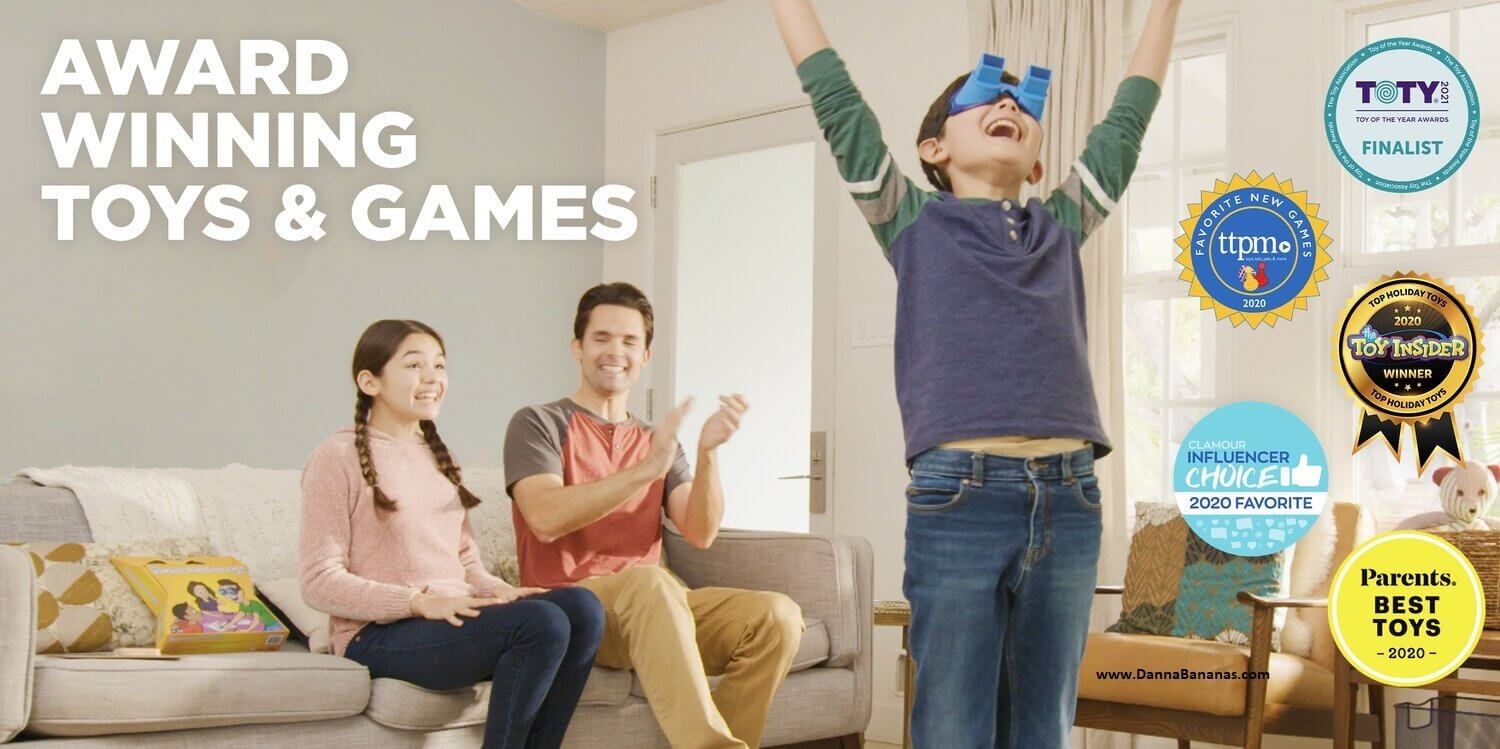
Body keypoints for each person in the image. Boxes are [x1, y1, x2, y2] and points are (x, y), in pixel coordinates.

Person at [771, 1, 1182, 745]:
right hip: (959, 496)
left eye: (1022, 108)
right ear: (933, 147)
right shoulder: (911, 222)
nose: (1006, 106)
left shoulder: (1060, 226)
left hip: (1069, 497)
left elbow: (1128, 116)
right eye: (985, 100)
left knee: (1042, 726)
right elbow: (836, 98)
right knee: (954, 722)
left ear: (1036, 161)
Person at [505, 283, 802, 749]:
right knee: (652, 581)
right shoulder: (538, 423)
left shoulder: (658, 440)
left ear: (646, 355)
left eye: (629, 342)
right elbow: (543, 517)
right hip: (572, 610)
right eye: (601, 338)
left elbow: (700, 532)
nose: (614, 352)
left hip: (653, 610)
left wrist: (706, 454)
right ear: (577, 348)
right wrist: (645, 470)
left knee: (776, 616)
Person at [300, 319, 604, 749]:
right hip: (378, 634)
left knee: (582, 607)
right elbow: (318, 580)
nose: (432, 378)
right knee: (542, 623)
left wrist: (499, 590)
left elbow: (464, 562)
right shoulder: (337, 457)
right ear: (369, 381)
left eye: (440, 366)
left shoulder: (443, 460)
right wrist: (418, 602)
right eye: (414, 366)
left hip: (447, 618)